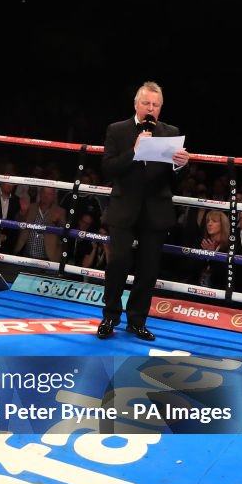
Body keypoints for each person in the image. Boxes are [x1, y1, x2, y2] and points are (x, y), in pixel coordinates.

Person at [98, 81, 189, 341]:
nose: (151, 108)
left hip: (155, 211)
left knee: (148, 270)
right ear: (136, 104)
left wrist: (180, 166)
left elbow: (177, 181)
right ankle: (110, 317)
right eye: (146, 103)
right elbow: (108, 170)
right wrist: (134, 151)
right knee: (117, 264)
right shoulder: (117, 130)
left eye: (155, 105)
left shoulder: (170, 132)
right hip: (124, 208)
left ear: (161, 107)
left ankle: (137, 321)